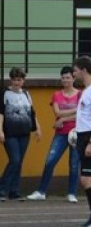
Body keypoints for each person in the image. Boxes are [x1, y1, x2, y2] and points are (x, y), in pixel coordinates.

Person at [27, 66, 81, 203]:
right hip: (61, 133)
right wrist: (74, 111)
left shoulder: (81, 94)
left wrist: (63, 118)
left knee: (74, 164)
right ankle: (41, 191)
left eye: (68, 77)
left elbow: (83, 115)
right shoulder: (56, 94)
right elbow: (57, 112)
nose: (65, 80)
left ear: (73, 78)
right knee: (50, 160)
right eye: (63, 78)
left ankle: (71, 193)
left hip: (76, 133)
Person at [0, 66, 41, 201]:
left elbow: (32, 112)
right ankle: (2, 190)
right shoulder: (4, 93)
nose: (17, 82)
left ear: (23, 80)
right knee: (14, 160)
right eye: (15, 80)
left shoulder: (26, 94)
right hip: (10, 132)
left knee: (19, 161)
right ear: (11, 80)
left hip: (24, 132)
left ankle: (14, 191)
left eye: (19, 80)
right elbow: (0, 113)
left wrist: (37, 128)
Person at [69, 56, 91, 227]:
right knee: (86, 178)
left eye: (75, 70)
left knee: (86, 179)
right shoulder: (86, 90)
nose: (73, 73)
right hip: (83, 137)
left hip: (88, 138)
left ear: (83, 70)